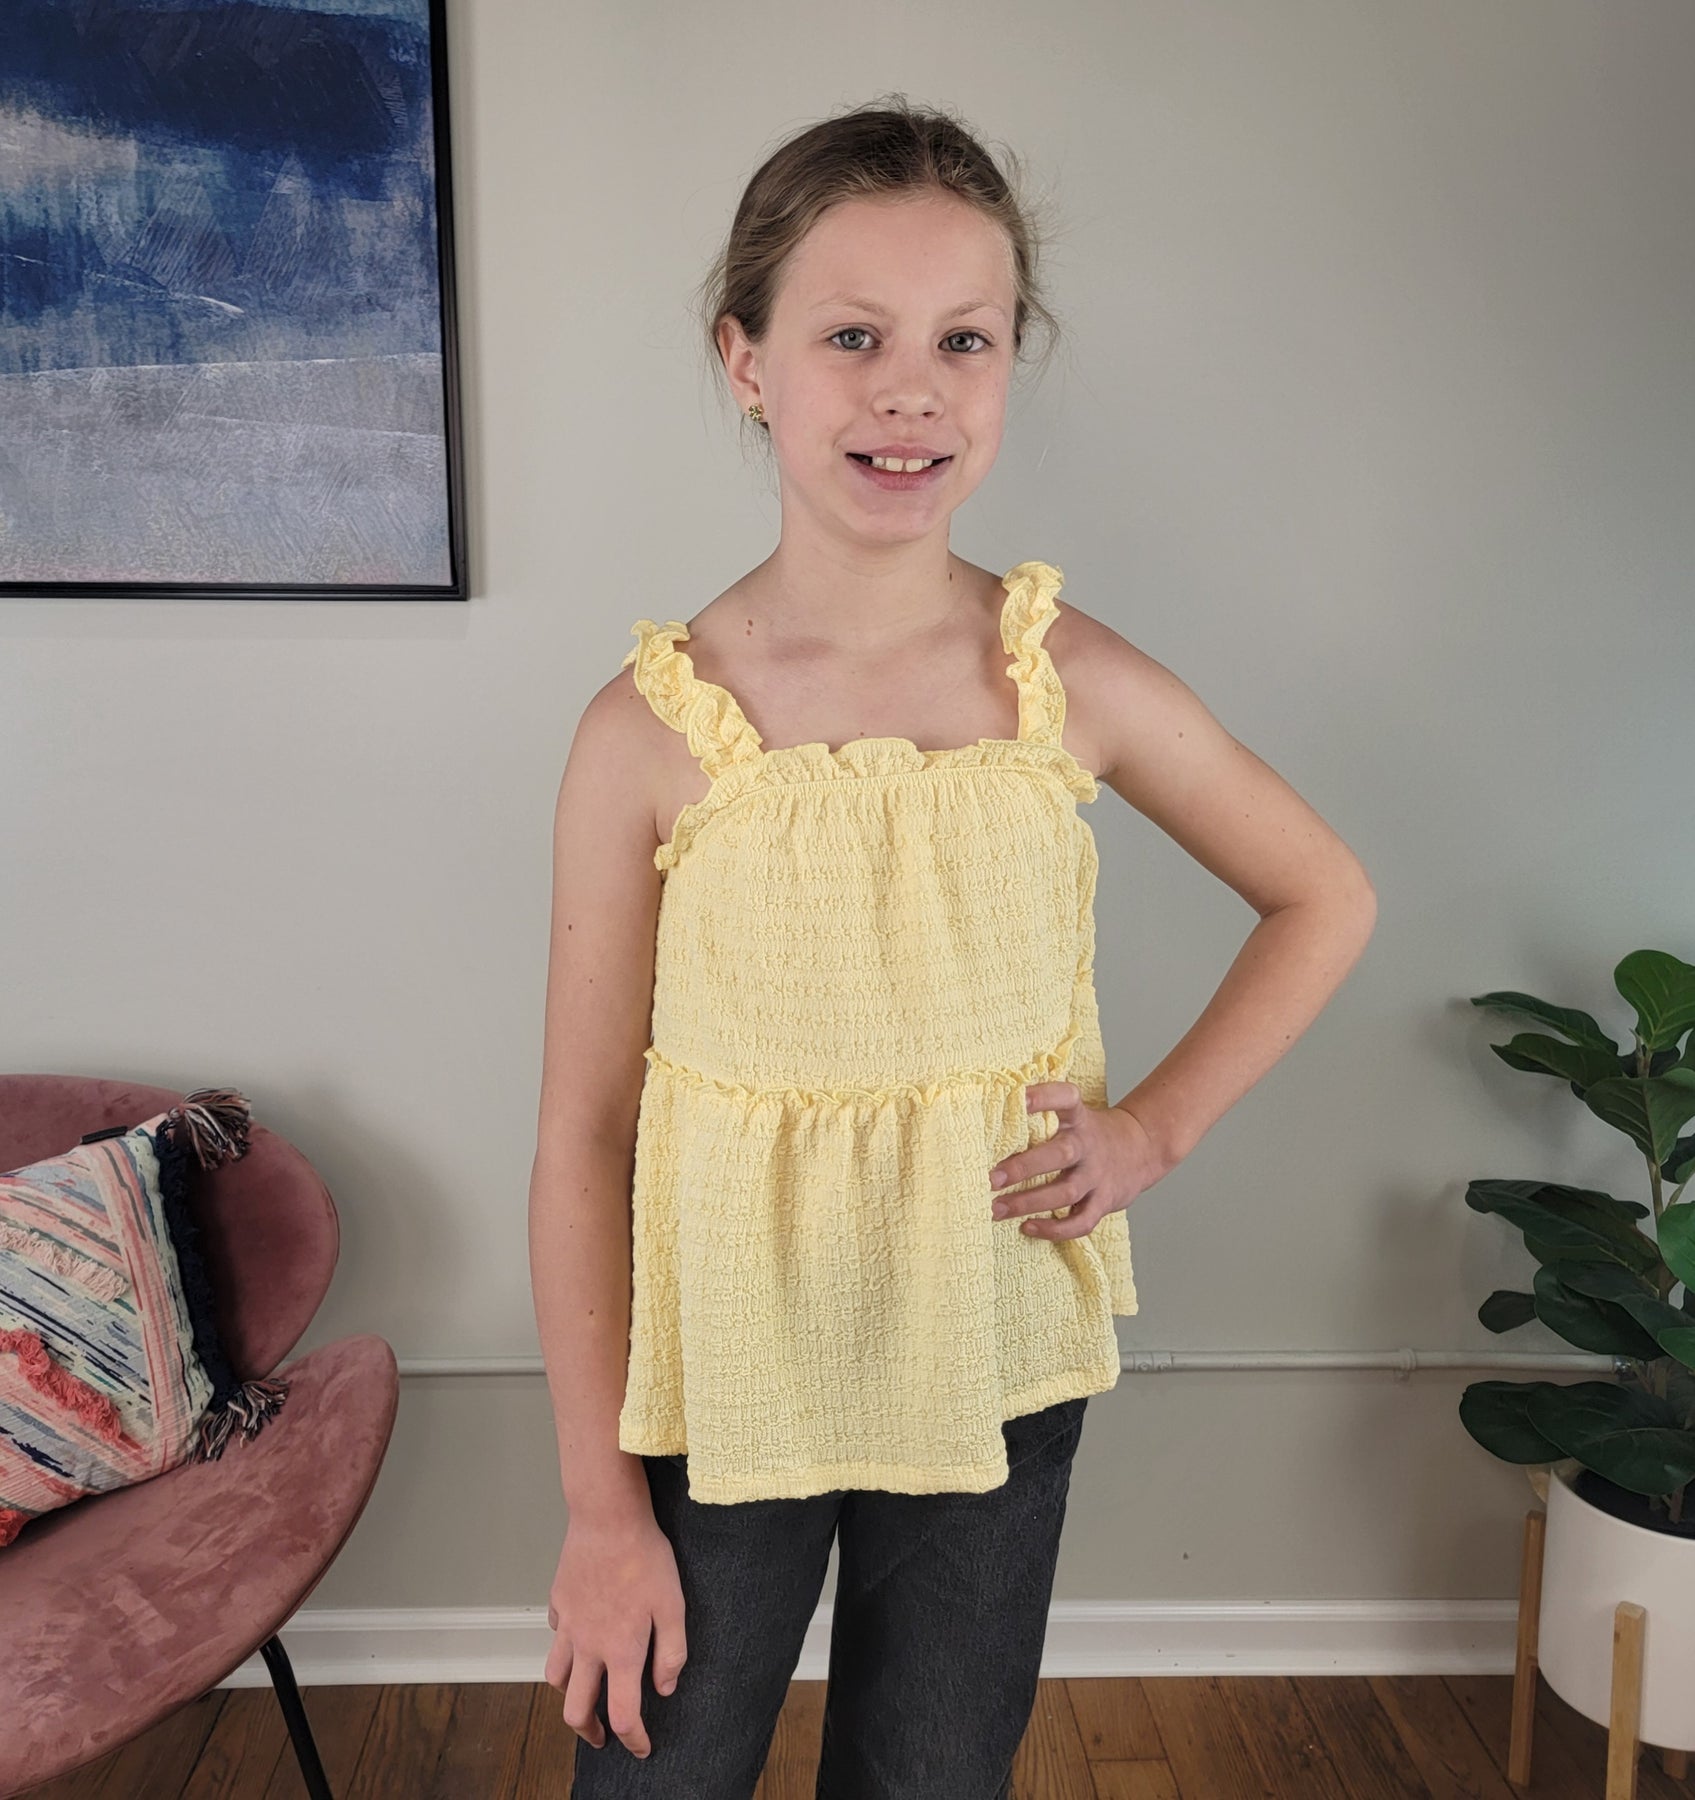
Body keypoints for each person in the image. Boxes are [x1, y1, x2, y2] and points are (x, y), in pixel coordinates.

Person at [528, 95, 1376, 1800]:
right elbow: (583, 1136)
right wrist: (599, 1512)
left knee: (930, 1776)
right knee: (659, 1775)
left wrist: (1154, 1132)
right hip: (729, 1373)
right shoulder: (650, 729)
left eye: (962, 340)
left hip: (988, 1352)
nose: (910, 390)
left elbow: (1324, 895)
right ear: (747, 359)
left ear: (1006, 365)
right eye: (853, 336)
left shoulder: (1070, 686)